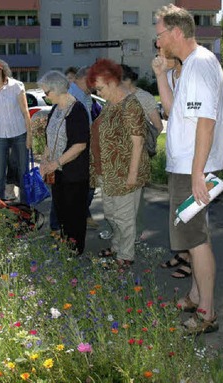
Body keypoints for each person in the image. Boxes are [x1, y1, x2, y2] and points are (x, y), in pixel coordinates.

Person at [152, 4, 223, 335]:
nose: (157, 44)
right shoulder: (188, 66)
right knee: (192, 236)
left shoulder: (198, 65)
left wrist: (197, 173)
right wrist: (160, 75)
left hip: (191, 169)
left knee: (196, 240)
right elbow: (174, 111)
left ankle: (207, 313)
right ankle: (196, 295)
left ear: (176, 33)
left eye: (159, 35)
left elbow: (206, 123)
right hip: (186, 166)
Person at [87, 58, 150, 270]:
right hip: (109, 170)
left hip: (125, 171)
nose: (98, 92)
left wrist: (132, 175)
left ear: (112, 82)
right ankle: (116, 246)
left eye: (100, 87)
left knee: (124, 217)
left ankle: (126, 255)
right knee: (111, 214)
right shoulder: (109, 104)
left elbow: (138, 141)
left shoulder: (130, 105)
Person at [38, 71, 90, 254]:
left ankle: (75, 250)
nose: (45, 96)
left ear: (57, 89)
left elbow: (80, 145)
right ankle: (66, 243)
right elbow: (50, 138)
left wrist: (56, 162)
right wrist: (45, 160)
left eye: (46, 92)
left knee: (74, 214)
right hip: (57, 172)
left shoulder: (77, 110)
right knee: (61, 211)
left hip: (74, 173)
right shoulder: (55, 108)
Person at [153, 54, 192, 279]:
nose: (159, 55)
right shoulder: (169, 75)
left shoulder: (192, 72)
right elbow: (168, 112)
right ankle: (183, 253)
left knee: (192, 211)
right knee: (178, 209)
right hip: (176, 154)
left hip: (192, 154)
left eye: (164, 51)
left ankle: (192, 257)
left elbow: (178, 112)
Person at [121, 64, 164, 245]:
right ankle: (120, 232)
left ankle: (136, 233)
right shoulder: (115, 97)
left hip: (139, 154)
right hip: (120, 155)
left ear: (125, 80)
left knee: (137, 197)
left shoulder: (143, 97)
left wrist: (142, 137)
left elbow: (158, 126)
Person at [0, 59, 32, 203]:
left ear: (1, 71)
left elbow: (25, 111)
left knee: (23, 172)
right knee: (0, 175)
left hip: (20, 134)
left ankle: (25, 207)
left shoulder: (16, 86)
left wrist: (29, 136)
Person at [67, 66, 100, 231]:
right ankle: (67, 221)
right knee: (76, 187)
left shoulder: (86, 96)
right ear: (83, 79)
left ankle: (81, 215)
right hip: (75, 149)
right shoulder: (71, 95)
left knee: (89, 185)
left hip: (86, 147)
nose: (95, 85)